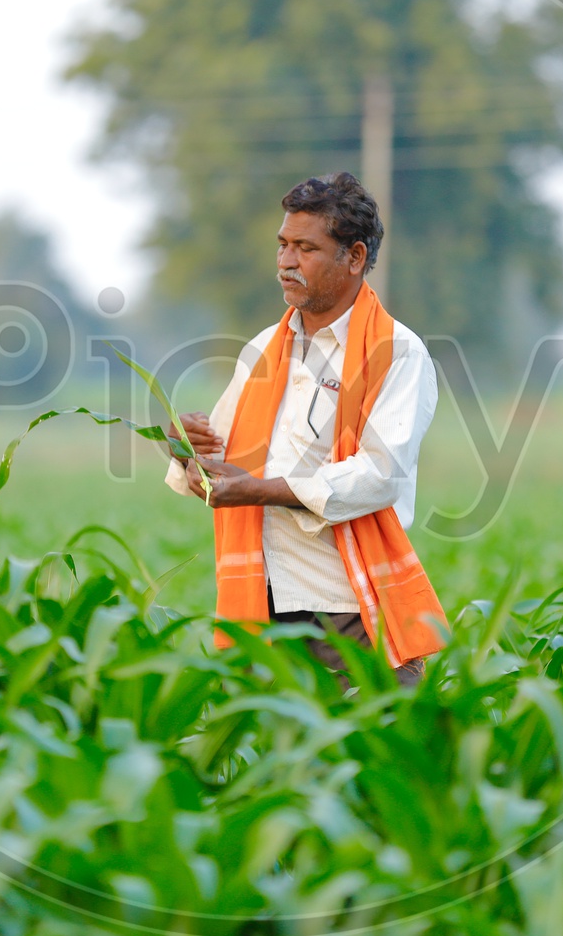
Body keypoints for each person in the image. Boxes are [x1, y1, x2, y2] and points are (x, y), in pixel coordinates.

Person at [164, 171, 449, 691]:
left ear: (355, 258)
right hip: (265, 610)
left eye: (305, 248)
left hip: (350, 610)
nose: (286, 262)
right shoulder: (262, 350)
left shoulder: (398, 353)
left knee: (373, 757)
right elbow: (218, 473)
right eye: (282, 245)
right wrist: (184, 451)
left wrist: (260, 490)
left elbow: (378, 476)